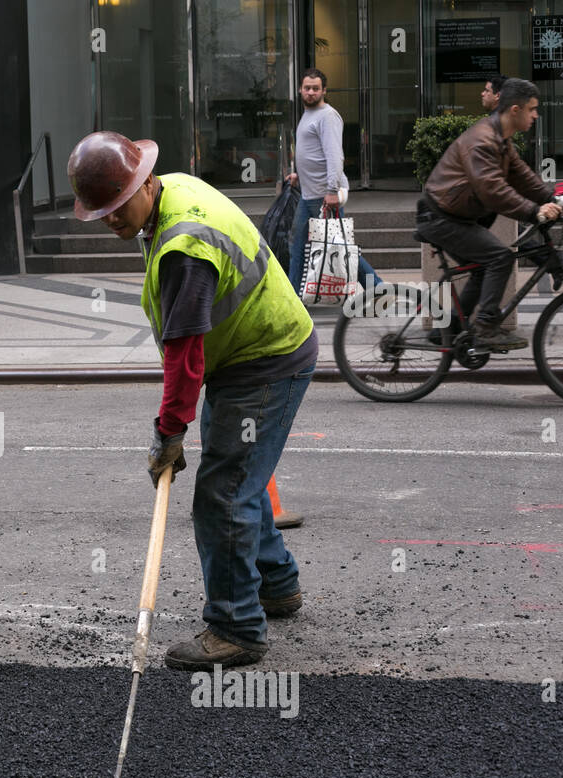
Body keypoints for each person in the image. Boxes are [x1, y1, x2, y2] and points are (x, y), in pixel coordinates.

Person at [67, 132, 318, 670]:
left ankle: (236, 628)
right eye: (103, 211)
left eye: (118, 205)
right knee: (240, 475)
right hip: (249, 353)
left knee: (223, 493)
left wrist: (169, 432)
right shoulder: (170, 192)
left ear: (144, 183)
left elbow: (185, 357)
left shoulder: (185, 247)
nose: (112, 218)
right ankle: (275, 584)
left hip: (265, 359)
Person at [415, 78, 562, 351]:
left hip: (453, 216)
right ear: (515, 110)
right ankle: (485, 327)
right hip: (439, 217)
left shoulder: (501, 139)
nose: (536, 115)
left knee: (483, 268)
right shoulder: (483, 140)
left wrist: (551, 199)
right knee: (500, 257)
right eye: (532, 109)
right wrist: (534, 211)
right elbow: (492, 190)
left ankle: (449, 329)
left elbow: (522, 176)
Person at [286, 68, 381, 296]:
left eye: (315, 88)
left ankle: (377, 287)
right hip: (310, 193)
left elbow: (335, 156)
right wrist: (299, 175)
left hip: (323, 195)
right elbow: (314, 153)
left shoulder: (327, 116)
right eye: (307, 88)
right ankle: (293, 297)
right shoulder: (308, 114)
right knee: (298, 246)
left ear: (324, 91)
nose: (311, 92)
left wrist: (331, 190)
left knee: (340, 248)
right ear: (300, 90)